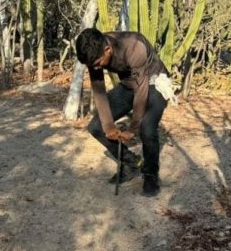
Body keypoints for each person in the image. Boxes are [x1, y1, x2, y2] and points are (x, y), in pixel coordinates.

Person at [74, 28, 175, 196]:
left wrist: (133, 129)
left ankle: (150, 175)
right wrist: (108, 127)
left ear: (108, 50)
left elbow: (141, 91)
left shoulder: (133, 46)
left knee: (147, 129)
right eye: (92, 66)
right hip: (129, 85)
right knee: (96, 127)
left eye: (98, 63)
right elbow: (99, 90)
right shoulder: (94, 55)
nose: (96, 68)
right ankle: (131, 163)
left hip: (154, 83)